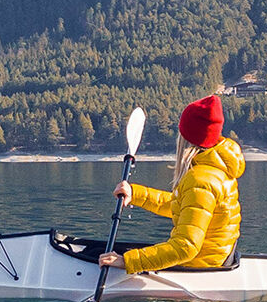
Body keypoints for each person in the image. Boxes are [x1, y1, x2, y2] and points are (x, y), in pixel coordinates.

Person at [97, 95, 244, 273]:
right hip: (213, 258)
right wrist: (135, 193)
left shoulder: (201, 180)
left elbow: (186, 247)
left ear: (186, 138)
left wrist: (128, 262)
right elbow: (182, 208)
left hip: (199, 264)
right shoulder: (216, 169)